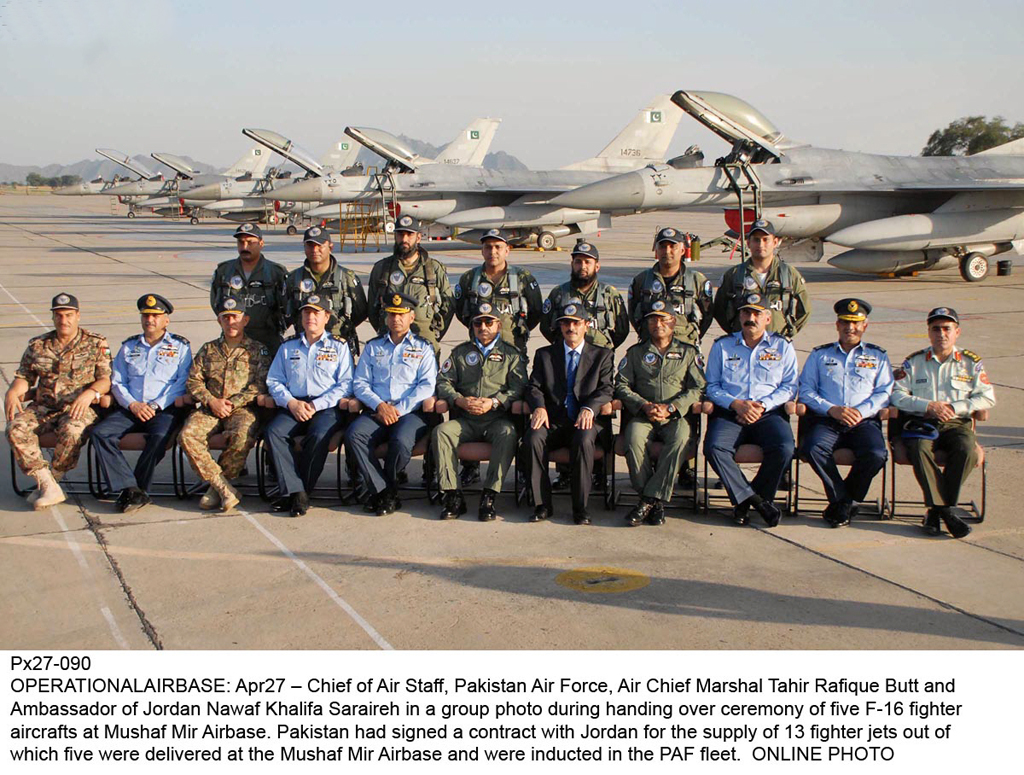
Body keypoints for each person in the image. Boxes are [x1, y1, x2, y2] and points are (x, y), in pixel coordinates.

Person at [890, 307, 996, 538]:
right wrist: (928, 405)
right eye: (935, 329)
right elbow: (897, 396)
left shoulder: (970, 363)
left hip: (956, 424)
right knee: (918, 449)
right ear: (928, 332)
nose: (941, 334)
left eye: (947, 329)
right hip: (923, 423)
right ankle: (947, 511)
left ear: (957, 332)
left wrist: (953, 407)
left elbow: (987, 397)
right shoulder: (914, 362)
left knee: (967, 451)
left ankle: (938, 510)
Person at [5, 293, 111, 509]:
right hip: (43, 407)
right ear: (53, 317)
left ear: (78, 316)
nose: (64, 320)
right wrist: (12, 392)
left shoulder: (96, 342)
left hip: (78, 408)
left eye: (69, 315)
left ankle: (53, 479)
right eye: (59, 315)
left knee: (73, 431)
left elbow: (105, 379)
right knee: (15, 429)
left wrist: (90, 393)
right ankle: (46, 482)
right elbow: (24, 377)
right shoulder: (38, 345)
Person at [452, 227, 540, 487]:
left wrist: (512, 337)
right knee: (472, 403)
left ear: (507, 249)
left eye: (498, 246)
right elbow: (462, 312)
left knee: (515, 410)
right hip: (476, 355)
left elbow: (534, 313)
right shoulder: (469, 278)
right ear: (482, 250)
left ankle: (522, 468)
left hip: (512, 357)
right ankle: (470, 468)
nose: (493, 251)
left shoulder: (523, 278)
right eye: (488, 247)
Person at [92, 294, 192, 513]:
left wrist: (155, 405)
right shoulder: (128, 347)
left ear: (166, 320)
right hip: (131, 408)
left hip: (163, 409)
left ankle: (134, 488)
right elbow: (117, 381)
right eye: (146, 315)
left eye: (156, 316)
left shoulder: (180, 347)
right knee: (100, 433)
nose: (150, 320)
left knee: (159, 437)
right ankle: (131, 488)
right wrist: (133, 405)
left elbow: (181, 382)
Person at [704, 293, 797, 527]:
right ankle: (757, 500)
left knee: (785, 448)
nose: (751, 318)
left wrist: (762, 405)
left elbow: (789, 386)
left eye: (757, 313)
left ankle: (746, 501)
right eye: (746, 313)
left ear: (768, 318)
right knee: (714, 448)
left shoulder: (782, 347)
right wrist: (737, 404)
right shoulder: (722, 346)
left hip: (768, 413)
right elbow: (711, 386)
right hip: (730, 412)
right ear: (740, 316)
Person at [798, 299, 893, 527]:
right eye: (845, 322)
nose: (850, 328)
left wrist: (860, 412)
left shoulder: (878, 356)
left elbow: (884, 391)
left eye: (855, 323)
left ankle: (843, 501)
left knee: (877, 454)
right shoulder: (820, 355)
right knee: (811, 448)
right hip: (828, 419)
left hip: (863, 422)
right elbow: (806, 390)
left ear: (865, 325)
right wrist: (831, 409)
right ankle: (844, 500)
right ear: (837, 325)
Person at [432, 301, 527, 521]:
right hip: (466, 419)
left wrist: (494, 402)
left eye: (489, 322)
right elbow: (443, 381)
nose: (483, 327)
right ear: (472, 326)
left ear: (498, 326)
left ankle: (490, 495)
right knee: (442, 431)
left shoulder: (511, 355)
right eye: (478, 323)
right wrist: (459, 400)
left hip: (496, 419)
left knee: (508, 433)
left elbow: (519, 387)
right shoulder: (460, 353)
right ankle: (452, 494)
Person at [614, 301, 706, 526]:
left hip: (675, 416)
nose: (658, 324)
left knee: (681, 440)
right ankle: (656, 502)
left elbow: (698, 387)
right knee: (633, 439)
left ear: (673, 322)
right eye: (653, 319)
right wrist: (643, 405)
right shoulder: (636, 353)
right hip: (643, 414)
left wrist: (672, 407)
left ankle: (647, 501)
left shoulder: (687, 352)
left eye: (664, 319)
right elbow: (621, 385)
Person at [346, 292, 438, 516]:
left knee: (401, 441)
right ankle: (384, 491)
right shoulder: (373, 347)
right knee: (354, 435)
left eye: (401, 314)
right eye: (391, 314)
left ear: (412, 317)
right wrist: (379, 406)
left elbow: (426, 386)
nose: (396, 319)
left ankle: (385, 490)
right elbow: (360, 383)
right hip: (377, 410)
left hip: (410, 413)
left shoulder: (423, 348)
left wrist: (398, 409)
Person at [524, 302, 615, 525]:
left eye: (576, 323)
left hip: (584, 421)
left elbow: (607, 388)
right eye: (565, 323)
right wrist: (539, 406)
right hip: (553, 419)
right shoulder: (545, 354)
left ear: (586, 325)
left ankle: (580, 507)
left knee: (584, 440)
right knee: (533, 438)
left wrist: (589, 408)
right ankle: (542, 504)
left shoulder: (602, 355)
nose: (570, 327)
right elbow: (533, 386)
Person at [179, 297, 271, 513]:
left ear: (245, 320)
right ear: (219, 321)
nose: (231, 322)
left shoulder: (257, 350)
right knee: (187, 435)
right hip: (210, 407)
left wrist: (233, 403)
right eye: (226, 318)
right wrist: (211, 400)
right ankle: (223, 487)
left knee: (241, 436)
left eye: (235, 317)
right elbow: (193, 380)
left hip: (241, 409)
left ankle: (215, 490)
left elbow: (261, 383)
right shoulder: (208, 349)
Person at [264, 295, 353, 517]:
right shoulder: (288, 347)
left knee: (319, 435)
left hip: (325, 407)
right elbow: (274, 380)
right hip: (293, 405)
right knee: (273, 433)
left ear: (327, 317)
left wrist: (316, 405)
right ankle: (297, 491)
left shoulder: (339, 347)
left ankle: (299, 491)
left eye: (316, 313)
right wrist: (291, 402)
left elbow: (346, 384)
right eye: (306, 312)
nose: (310, 317)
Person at [366, 215, 454, 355]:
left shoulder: (434, 269)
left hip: (425, 344)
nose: (404, 239)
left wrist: (431, 334)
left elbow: (448, 307)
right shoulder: (381, 269)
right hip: (389, 344)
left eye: (409, 234)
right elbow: (372, 309)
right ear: (395, 236)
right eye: (401, 234)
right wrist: (385, 327)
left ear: (418, 237)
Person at [712, 219, 810, 339]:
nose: (761, 245)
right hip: (744, 343)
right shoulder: (734, 275)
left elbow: (805, 310)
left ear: (775, 242)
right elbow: (719, 309)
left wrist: (788, 333)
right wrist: (735, 331)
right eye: (756, 240)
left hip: (776, 344)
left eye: (765, 239)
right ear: (748, 243)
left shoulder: (789, 274)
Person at [283, 225, 368, 355]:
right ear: (305, 248)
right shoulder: (294, 279)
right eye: (310, 245)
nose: (315, 250)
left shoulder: (346, 278)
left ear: (330, 247)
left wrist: (337, 328)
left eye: (320, 245)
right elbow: (286, 312)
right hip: (305, 347)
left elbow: (361, 312)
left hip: (339, 348)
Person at [210, 223, 289, 353]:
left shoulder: (276, 272)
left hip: (267, 339)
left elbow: (287, 307)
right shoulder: (224, 271)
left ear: (261, 243)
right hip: (233, 339)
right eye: (241, 242)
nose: (245, 247)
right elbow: (216, 303)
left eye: (250, 242)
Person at [627, 227, 713, 346]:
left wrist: (689, 336)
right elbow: (633, 314)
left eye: (673, 246)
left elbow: (707, 316)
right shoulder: (641, 280)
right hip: (650, 348)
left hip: (685, 348)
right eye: (662, 246)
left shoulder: (696, 281)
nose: (667, 251)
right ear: (656, 250)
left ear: (682, 250)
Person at [540, 240, 628, 351]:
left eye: (587, 262)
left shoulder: (609, 294)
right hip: (566, 356)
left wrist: (605, 348)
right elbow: (545, 327)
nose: (583, 266)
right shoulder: (559, 293)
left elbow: (622, 330)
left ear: (597, 266)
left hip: (599, 358)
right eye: (578, 262)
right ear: (572, 264)